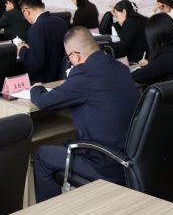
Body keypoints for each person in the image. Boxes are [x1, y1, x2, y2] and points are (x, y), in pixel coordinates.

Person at [31, 27, 140, 202]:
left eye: (69, 58)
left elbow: (44, 102)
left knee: (42, 155)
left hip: (104, 165)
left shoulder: (83, 73)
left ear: (75, 56)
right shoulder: (121, 68)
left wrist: (36, 88)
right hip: (130, 160)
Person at [16, 0, 69, 82]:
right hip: (62, 79)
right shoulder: (62, 22)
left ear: (26, 11)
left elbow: (36, 65)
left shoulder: (35, 28)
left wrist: (21, 50)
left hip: (44, 83)